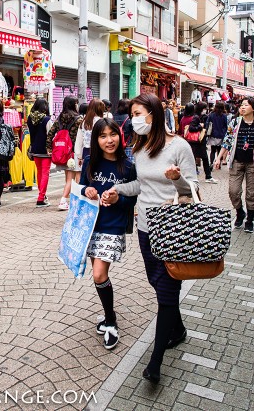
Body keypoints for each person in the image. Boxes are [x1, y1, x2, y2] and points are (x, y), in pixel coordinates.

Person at [103, 93, 198, 384]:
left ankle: (155, 361)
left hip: (172, 229)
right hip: (145, 228)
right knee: (158, 283)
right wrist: (119, 190)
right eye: (132, 114)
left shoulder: (180, 146)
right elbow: (139, 184)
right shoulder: (140, 146)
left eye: (138, 113)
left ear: (154, 115)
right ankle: (178, 329)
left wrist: (176, 179)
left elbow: (191, 190)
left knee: (167, 292)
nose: (134, 119)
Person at [79, 119, 137, 350]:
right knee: (98, 276)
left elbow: (132, 198)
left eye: (112, 134)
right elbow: (81, 187)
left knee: (99, 275)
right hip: (91, 225)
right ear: (96, 140)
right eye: (102, 136)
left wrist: (118, 198)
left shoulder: (128, 167)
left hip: (112, 226)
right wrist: (87, 189)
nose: (108, 140)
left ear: (119, 136)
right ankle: (107, 316)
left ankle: (111, 322)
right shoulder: (90, 163)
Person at [214, 97, 254, 233]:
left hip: (253, 163)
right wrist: (219, 157)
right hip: (237, 161)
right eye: (242, 105)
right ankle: (240, 212)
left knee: (251, 193)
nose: (242, 107)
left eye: (246, 105)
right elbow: (227, 140)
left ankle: (249, 220)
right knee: (233, 191)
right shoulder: (234, 123)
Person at [46, 96, 83, 211]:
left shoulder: (60, 119)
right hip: (74, 153)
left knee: (68, 178)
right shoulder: (79, 119)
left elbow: (50, 134)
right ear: (74, 104)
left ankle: (70, 200)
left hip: (64, 153)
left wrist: (49, 148)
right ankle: (63, 201)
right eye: (76, 103)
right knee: (72, 179)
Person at [27, 98, 53, 207]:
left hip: (35, 150)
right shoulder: (47, 120)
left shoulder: (29, 118)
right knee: (45, 173)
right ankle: (41, 198)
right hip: (46, 151)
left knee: (39, 172)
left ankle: (41, 194)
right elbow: (50, 135)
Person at [186, 101, 217, 183]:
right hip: (197, 142)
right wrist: (201, 126)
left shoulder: (202, 116)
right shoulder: (196, 117)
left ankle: (207, 176)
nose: (205, 110)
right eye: (204, 108)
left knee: (201, 158)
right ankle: (206, 176)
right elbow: (191, 128)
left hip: (199, 142)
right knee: (200, 159)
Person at [74, 99, 105, 169]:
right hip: (99, 151)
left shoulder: (84, 122)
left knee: (87, 173)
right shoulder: (102, 121)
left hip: (86, 151)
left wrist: (79, 156)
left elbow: (79, 140)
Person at [207, 101, 228, 167]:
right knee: (219, 150)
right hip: (221, 135)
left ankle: (211, 163)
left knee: (213, 150)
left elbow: (207, 123)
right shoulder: (224, 116)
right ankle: (218, 163)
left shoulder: (211, 114)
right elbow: (225, 125)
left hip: (213, 134)